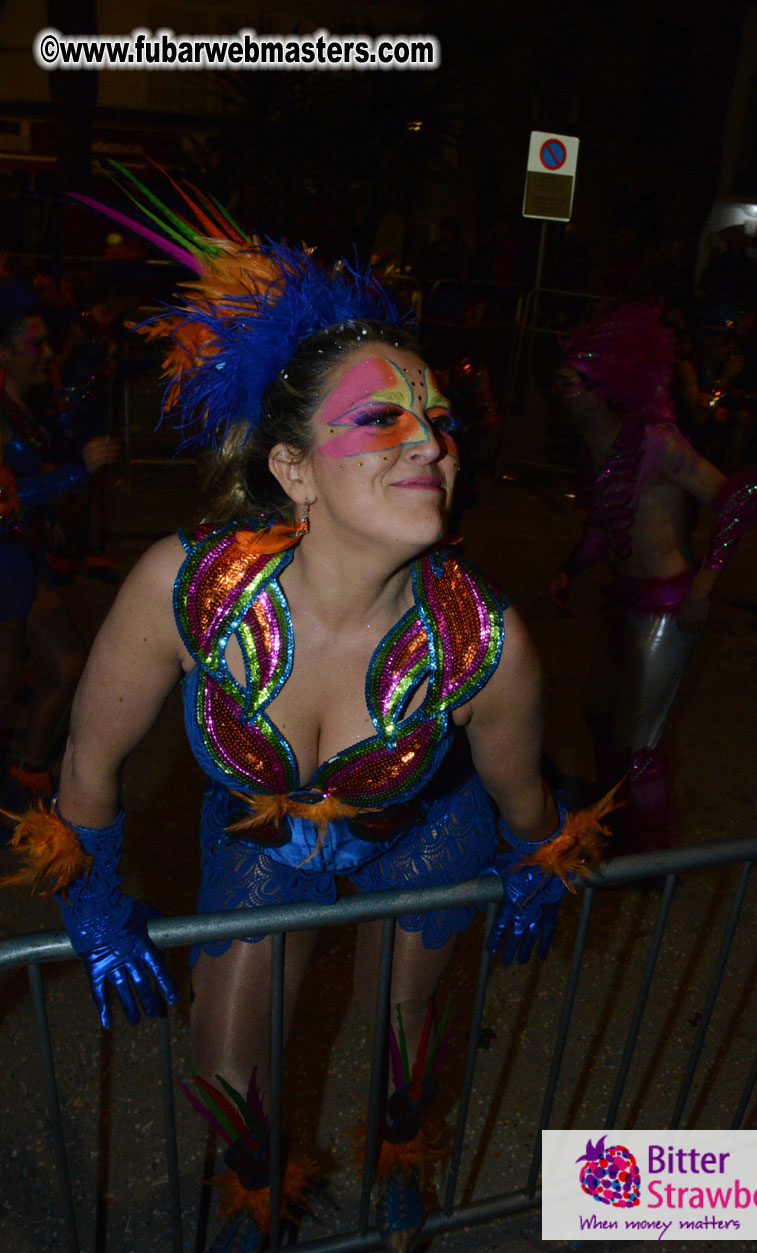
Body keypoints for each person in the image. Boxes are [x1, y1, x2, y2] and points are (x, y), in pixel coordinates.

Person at [2, 177, 614, 1253]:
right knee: (224, 1060)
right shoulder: (186, 592)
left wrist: (536, 869)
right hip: (261, 838)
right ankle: (252, 1199)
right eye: (380, 419)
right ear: (291, 469)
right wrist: (91, 903)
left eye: (439, 420)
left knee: (400, 1026)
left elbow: (525, 799)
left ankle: (398, 1166)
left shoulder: (483, 641)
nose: (428, 442)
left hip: (424, 831)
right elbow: (89, 768)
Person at [550, 303, 757, 854]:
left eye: (568, 383)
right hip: (625, 598)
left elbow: (739, 498)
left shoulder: (656, 440)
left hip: (667, 604)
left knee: (640, 742)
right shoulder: (597, 445)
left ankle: (648, 852)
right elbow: (611, 523)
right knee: (597, 708)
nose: (558, 391)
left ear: (601, 387)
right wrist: (570, 570)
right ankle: (616, 813)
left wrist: (705, 584)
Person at [0, 282, 118, 807]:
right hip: (4, 565)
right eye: (33, 344)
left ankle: (27, 769)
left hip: (23, 560)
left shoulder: (22, 404)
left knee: (70, 666)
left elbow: (64, 420)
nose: (45, 352)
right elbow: (6, 499)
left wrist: (94, 363)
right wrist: (78, 472)